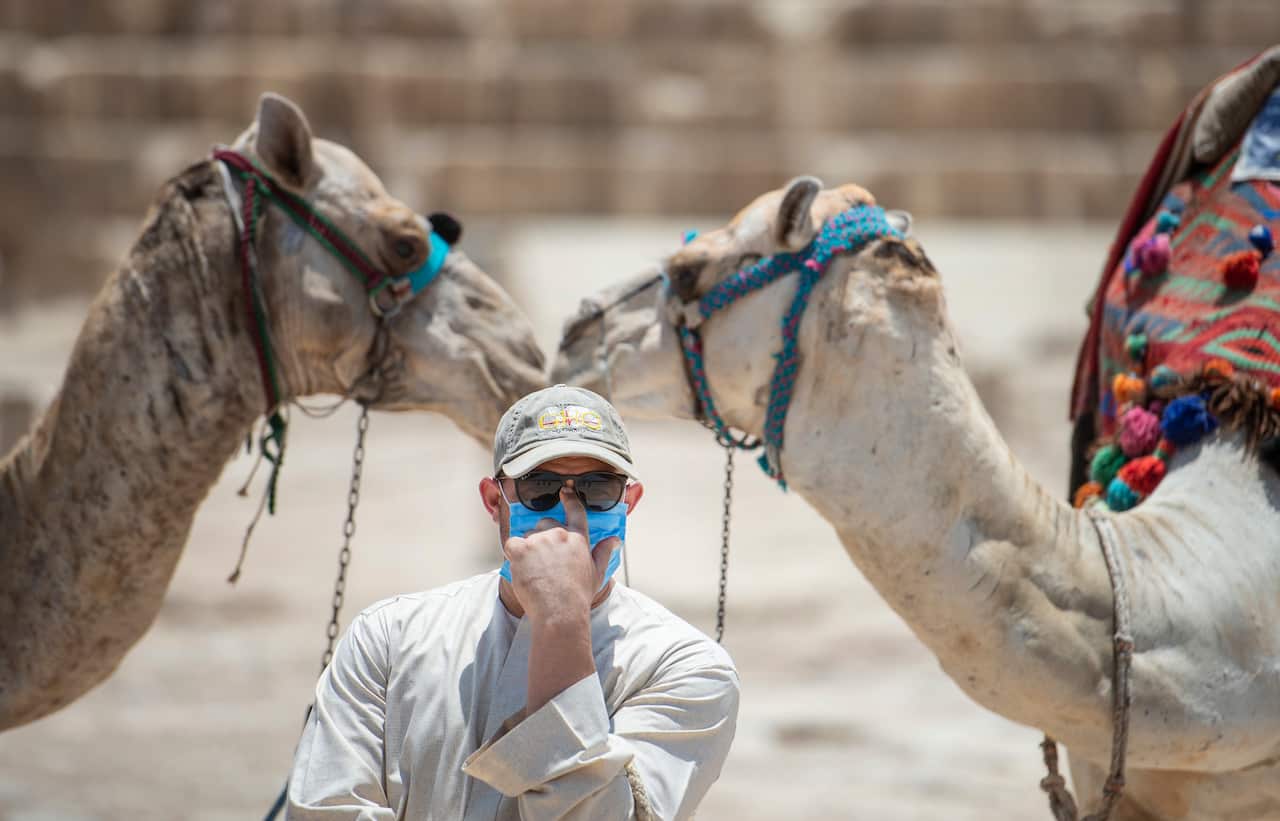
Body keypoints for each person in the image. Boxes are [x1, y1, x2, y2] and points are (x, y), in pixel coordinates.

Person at [287, 385, 740, 820]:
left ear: (629, 500)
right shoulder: (389, 637)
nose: (568, 509)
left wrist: (561, 618)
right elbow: (326, 808)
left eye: (596, 489)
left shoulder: (684, 666)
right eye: (540, 487)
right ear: (494, 500)